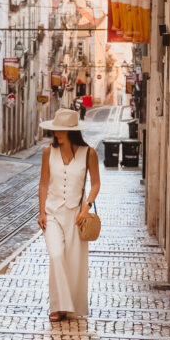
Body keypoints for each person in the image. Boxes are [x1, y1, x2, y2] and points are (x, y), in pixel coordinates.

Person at [37, 108, 100, 322]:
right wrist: (41, 211)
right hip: (52, 214)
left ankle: (68, 306)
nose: (57, 133)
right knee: (56, 255)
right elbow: (43, 184)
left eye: (61, 129)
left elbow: (96, 184)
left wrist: (86, 207)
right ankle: (58, 306)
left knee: (74, 262)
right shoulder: (48, 152)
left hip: (76, 216)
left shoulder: (89, 153)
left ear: (72, 131)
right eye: (56, 129)